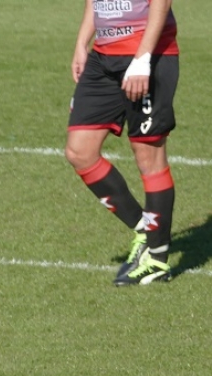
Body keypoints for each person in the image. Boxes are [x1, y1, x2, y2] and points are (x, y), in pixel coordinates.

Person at [65, 0, 178, 285]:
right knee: (80, 151)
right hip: (102, 57)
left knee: (148, 157)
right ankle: (143, 228)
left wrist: (142, 59)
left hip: (146, 55)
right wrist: (82, 42)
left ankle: (156, 259)